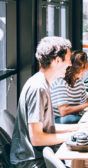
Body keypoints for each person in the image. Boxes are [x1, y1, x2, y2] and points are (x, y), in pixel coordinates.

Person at [10, 36, 79, 168]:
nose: (70, 64)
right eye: (69, 59)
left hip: (37, 157)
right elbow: (37, 138)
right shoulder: (39, 88)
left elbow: (46, 129)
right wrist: (72, 136)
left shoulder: (41, 83)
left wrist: (78, 129)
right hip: (31, 162)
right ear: (57, 60)